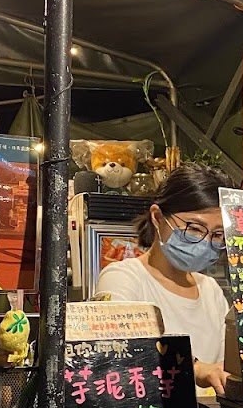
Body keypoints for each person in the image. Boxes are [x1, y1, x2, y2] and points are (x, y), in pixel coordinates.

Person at [94, 163, 231, 395]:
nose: (205, 242)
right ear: (157, 217)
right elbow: (116, 355)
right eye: (194, 228)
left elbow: (223, 366)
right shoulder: (123, 278)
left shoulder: (211, 290)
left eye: (217, 234)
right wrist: (196, 368)